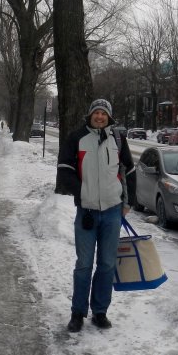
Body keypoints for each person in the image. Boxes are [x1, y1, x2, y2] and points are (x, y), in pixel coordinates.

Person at [56, 98, 136, 333]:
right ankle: (77, 313)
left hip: (112, 210)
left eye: (104, 113)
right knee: (84, 264)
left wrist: (128, 202)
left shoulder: (118, 139)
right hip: (87, 213)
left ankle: (100, 311)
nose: (100, 117)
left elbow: (129, 170)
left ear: (109, 117)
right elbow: (64, 170)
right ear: (90, 115)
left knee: (107, 264)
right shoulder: (76, 138)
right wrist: (81, 194)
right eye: (96, 113)